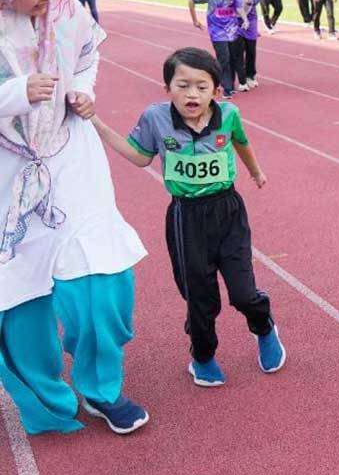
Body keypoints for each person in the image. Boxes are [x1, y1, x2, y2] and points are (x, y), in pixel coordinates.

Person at [0, 0, 148, 435]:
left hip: (71, 157)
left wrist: (81, 91)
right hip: (9, 175)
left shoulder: (66, 9)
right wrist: (17, 93)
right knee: (20, 298)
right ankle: (45, 398)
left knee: (101, 282)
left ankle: (101, 387)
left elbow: (86, 57)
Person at [91, 47, 287, 387]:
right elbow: (138, 157)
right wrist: (95, 123)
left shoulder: (229, 114)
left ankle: (264, 325)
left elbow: (241, 142)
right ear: (167, 89)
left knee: (243, 291)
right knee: (199, 295)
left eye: (201, 86)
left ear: (216, 90)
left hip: (228, 210)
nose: (192, 93)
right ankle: (203, 356)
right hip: (186, 217)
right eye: (182, 85)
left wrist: (256, 172)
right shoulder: (156, 118)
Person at [188, 0, 247, 97]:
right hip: (217, 31)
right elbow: (191, 0)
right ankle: (226, 88)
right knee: (223, 58)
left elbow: (240, 8)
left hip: (231, 29)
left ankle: (229, 84)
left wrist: (245, 19)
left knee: (232, 58)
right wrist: (195, 20)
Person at [232, 0, 261, 88]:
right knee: (238, 49)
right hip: (234, 19)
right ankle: (242, 79)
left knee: (250, 48)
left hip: (250, 17)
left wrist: (252, 0)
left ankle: (251, 75)